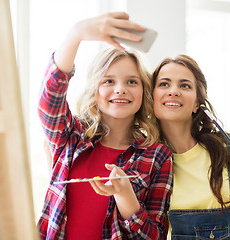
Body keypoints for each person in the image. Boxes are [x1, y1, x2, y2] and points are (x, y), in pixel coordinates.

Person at [37, 12, 173, 240]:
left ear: (144, 91)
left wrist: (126, 197)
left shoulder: (157, 156)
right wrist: (76, 34)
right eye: (109, 81)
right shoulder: (71, 136)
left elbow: (155, 236)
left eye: (132, 81)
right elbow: (49, 100)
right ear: (95, 89)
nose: (120, 89)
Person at [151, 55, 230, 240]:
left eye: (185, 85)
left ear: (197, 103)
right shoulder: (145, 162)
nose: (173, 91)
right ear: (152, 97)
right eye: (164, 84)